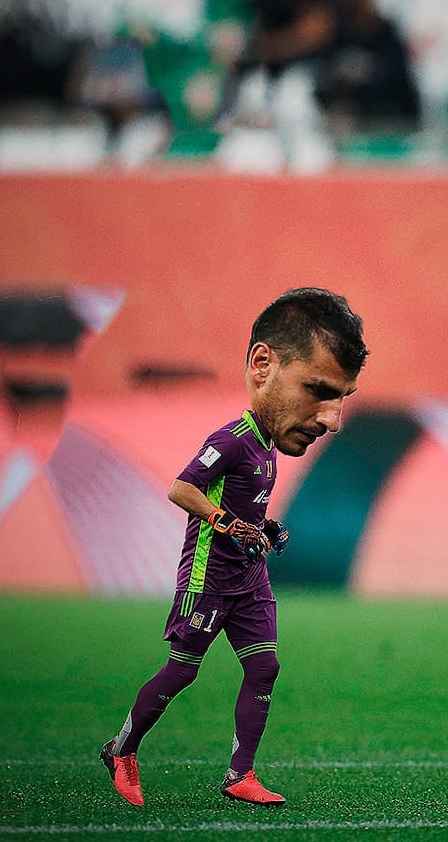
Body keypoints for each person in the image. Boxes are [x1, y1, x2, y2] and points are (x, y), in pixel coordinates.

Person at [101, 288, 369, 807]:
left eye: (343, 400)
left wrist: (265, 529)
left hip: (248, 579)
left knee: (264, 667)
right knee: (182, 671)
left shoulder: (270, 448)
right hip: (208, 577)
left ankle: (239, 774)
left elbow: (248, 509)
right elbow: (181, 488)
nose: (333, 421)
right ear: (262, 364)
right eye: (319, 390)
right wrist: (224, 522)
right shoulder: (230, 439)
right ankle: (122, 749)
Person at [315, 0, 420, 133]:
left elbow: (398, 79)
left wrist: (363, 79)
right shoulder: (338, 33)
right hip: (351, 116)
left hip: (388, 115)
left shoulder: (386, 31)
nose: (353, 4)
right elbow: (325, 77)